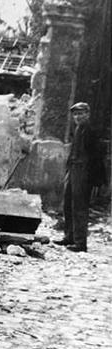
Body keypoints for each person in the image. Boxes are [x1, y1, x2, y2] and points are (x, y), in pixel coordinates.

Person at [55, 102, 106, 252]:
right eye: (75, 114)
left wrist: (96, 179)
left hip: (84, 172)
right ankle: (69, 237)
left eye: (81, 113)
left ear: (87, 114)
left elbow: (97, 157)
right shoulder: (78, 129)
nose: (78, 117)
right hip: (73, 169)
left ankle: (80, 243)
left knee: (79, 206)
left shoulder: (91, 131)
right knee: (68, 203)